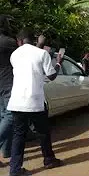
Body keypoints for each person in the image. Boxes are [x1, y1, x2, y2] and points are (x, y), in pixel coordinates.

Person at [7, 28, 63, 176]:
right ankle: (49, 160)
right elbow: (51, 76)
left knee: (18, 136)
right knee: (43, 133)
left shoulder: (14, 55)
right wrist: (58, 63)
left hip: (17, 102)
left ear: (19, 41)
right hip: (35, 102)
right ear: (33, 40)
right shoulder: (42, 53)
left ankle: (15, 170)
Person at [0, 15, 17, 162]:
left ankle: (6, 151)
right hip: (7, 84)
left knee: (2, 116)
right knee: (11, 116)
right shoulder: (9, 42)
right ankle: (5, 149)